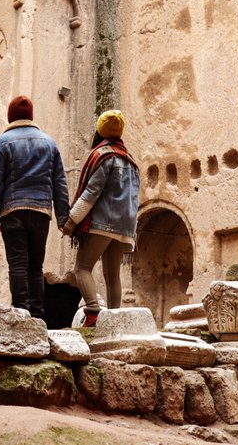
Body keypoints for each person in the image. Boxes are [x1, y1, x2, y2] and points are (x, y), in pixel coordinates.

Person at [0, 95, 70, 319]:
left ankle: (21, 314)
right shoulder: (49, 144)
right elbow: (60, 182)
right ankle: (38, 316)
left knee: (18, 265)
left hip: (13, 212)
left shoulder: (2, 143)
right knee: (35, 267)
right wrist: (62, 217)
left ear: (10, 116)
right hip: (41, 212)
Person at [63, 110, 140, 328]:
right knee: (112, 274)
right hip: (125, 226)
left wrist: (72, 221)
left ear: (100, 129)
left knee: (82, 268)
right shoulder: (131, 160)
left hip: (102, 223)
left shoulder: (103, 155)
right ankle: (114, 320)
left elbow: (91, 193)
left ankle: (93, 312)